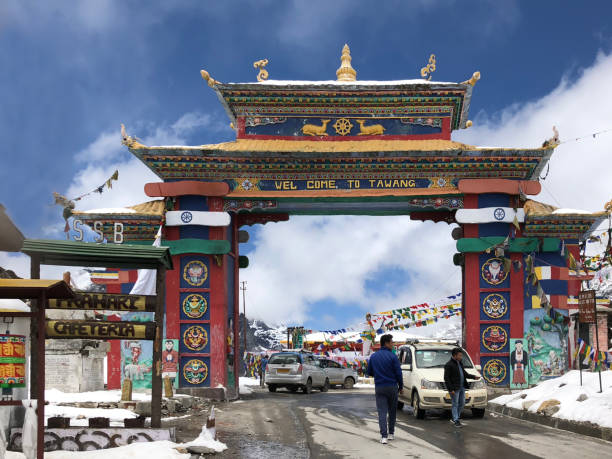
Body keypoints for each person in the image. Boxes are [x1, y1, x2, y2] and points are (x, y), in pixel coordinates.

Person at [367, 334, 403, 444]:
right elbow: (398, 373)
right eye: (392, 342)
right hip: (392, 387)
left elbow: (369, 372)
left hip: (380, 387)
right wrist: (400, 386)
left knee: (382, 412)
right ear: (386, 343)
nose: (392, 344)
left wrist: (378, 374)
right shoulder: (393, 357)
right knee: (392, 411)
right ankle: (391, 433)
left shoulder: (373, 357)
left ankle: (383, 437)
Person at [444, 347, 479, 427]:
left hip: (462, 387)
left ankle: (455, 418)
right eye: (459, 355)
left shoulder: (460, 363)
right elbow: (446, 378)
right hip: (454, 389)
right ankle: (456, 420)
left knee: (462, 403)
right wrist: (451, 389)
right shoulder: (449, 365)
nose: (461, 357)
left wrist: (474, 377)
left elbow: (465, 374)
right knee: (455, 404)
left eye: (461, 355)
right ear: (454, 355)